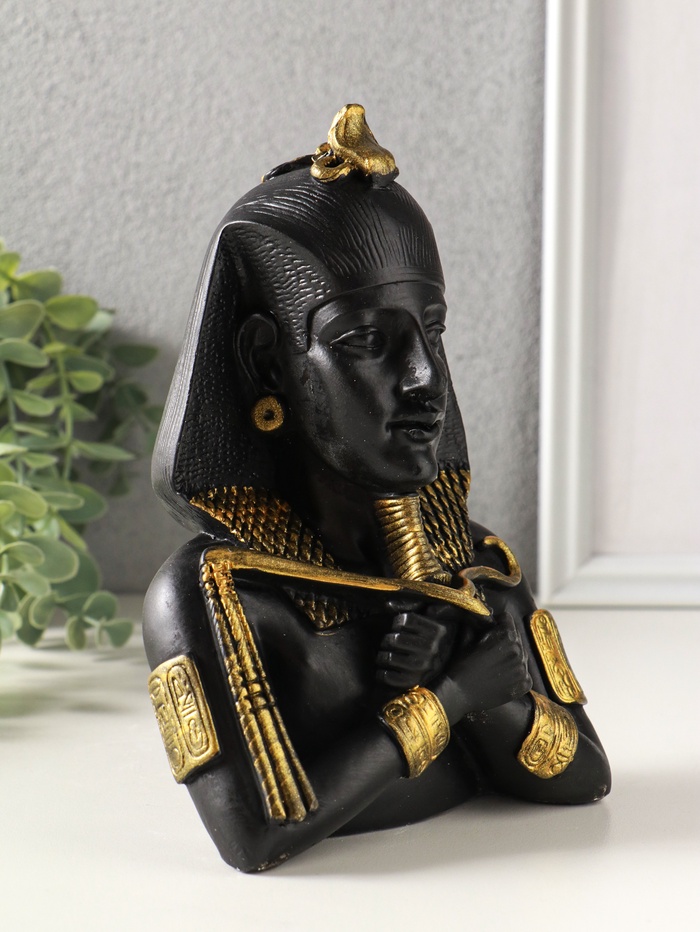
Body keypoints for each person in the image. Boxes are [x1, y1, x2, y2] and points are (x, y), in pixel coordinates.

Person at [144, 105, 610, 873]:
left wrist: (491, 693)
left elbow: (587, 777)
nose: (424, 379)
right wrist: (449, 697)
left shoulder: (478, 566)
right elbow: (259, 834)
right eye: (365, 341)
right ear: (267, 364)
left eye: (433, 331)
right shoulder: (219, 594)